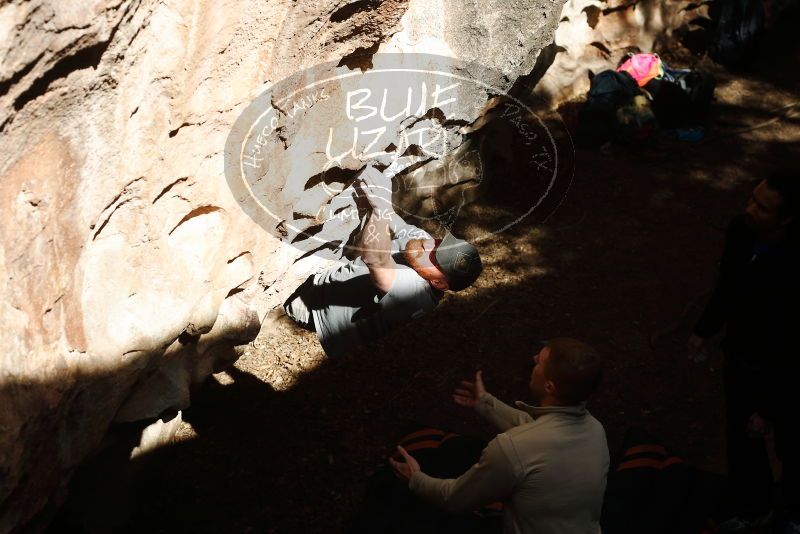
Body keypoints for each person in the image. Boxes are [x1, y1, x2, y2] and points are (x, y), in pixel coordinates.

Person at [390, 338, 609, 534]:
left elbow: (455, 498)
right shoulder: (595, 430)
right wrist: (485, 403)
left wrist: (415, 478)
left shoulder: (512, 449)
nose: (533, 359)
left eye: (540, 361)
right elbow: (535, 427)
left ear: (549, 386)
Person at [688, 171, 800, 533]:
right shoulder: (741, 231)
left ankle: (795, 516)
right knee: (740, 437)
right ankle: (753, 507)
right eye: (752, 198)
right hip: (743, 354)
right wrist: (705, 330)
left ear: (787, 219)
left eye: (762, 208)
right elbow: (728, 284)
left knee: (792, 445)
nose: (748, 209)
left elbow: (792, 344)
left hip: (786, 365)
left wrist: (768, 407)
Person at [284, 165, 483, 358]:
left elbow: (375, 259)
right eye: (441, 244)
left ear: (438, 283)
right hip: (331, 277)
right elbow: (398, 223)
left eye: (436, 257)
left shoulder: (415, 295)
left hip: (314, 306)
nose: (430, 245)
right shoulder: (424, 244)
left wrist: (379, 211)